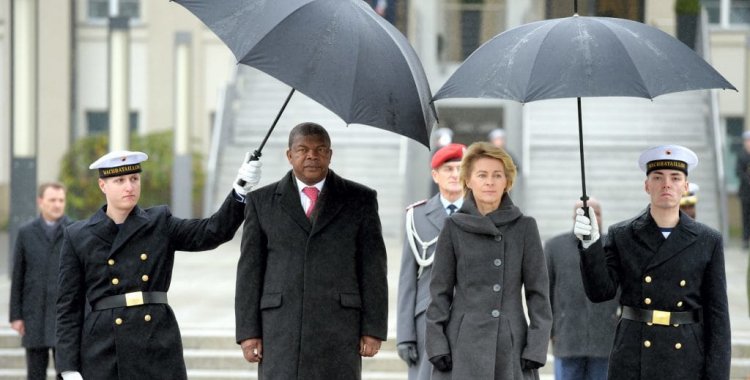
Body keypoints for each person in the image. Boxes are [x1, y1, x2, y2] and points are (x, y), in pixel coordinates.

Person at [55, 150, 261, 380]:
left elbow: (212, 231)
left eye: (134, 179)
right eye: (119, 181)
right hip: (103, 348)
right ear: (103, 186)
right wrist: (68, 367)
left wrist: (240, 189)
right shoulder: (78, 235)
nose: (129, 186)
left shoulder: (159, 222)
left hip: (155, 342)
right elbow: (68, 308)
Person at [236, 122, 388, 379]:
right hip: (281, 328)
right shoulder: (261, 202)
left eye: (320, 150)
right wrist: (249, 333)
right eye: (302, 149)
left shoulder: (360, 199)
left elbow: (373, 268)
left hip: (339, 327)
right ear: (289, 155)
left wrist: (373, 329)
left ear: (330, 154)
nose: (311, 156)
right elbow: (250, 272)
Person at [574, 144, 730, 380]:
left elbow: (718, 317)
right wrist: (590, 244)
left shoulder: (708, 240)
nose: (666, 184)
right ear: (647, 186)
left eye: (675, 178)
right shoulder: (622, 234)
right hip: (633, 356)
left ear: (685, 187)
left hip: (687, 357)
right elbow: (600, 292)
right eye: (657, 177)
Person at [425, 141, 552, 380]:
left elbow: (538, 294)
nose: (490, 182)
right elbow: (439, 292)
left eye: (497, 175)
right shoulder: (453, 227)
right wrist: (436, 343)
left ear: (507, 182)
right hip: (461, 344)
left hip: (511, 345)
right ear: (468, 180)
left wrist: (536, 346)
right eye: (482, 175)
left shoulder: (525, 227)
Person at [396, 143, 465, 380]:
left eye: (461, 168)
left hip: (472, 318)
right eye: (449, 169)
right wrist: (405, 335)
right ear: (435, 175)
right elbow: (407, 280)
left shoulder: (483, 214)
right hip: (427, 320)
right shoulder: (417, 216)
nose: (456, 175)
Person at [544, 198, 618, 380]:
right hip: (567, 338)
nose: (591, 217)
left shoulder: (613, 247)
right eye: (583, 213)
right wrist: (550, 330)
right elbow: (546, 291)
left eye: (596, 213)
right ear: (573, 217)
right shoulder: (555, 247)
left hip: (605, 339)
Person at [10, 182, 71, 380]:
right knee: (35, 374)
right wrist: (16, 315)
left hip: (65, 317)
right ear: (40, 202)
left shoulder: (75, 231)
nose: (57, 204)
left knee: (66, 373)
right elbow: (18, 275)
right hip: (34, 315)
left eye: (61, 200)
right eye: (52, 200)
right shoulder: (26, 233)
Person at [736, 130, 750, 248]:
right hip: (745, 192)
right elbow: (738, 171)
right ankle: (745, 240)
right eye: (747, 141)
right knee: (745, 216)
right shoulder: (741, 155)